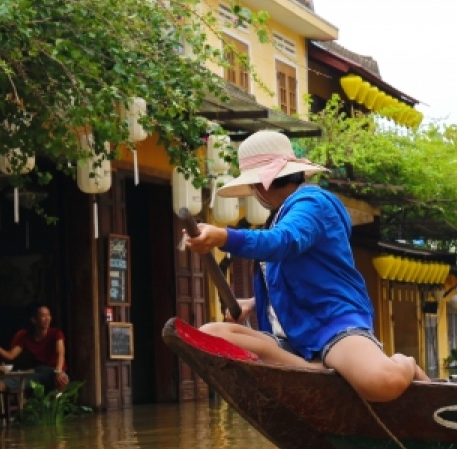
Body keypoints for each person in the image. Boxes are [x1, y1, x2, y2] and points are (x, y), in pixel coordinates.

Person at [183, 130, 426, 402]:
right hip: (291, 335)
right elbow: (291, 278)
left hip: (331, 324)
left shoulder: (312, 203)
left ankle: (404, 362)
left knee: (383, 383)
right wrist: (253, 302)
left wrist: (224, 236)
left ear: (260, 185)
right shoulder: (281, 215)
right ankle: (315, 371)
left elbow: (284, 242)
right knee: (209, 335)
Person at [0, 304, 69, 391]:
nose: (47, 318)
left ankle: (56, 403)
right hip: (38, 372)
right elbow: (11, 355)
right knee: (2, 383)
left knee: (62, 380)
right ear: (34, 320)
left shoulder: (56, 333)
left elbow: (60, 354)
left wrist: (58, 372)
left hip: (55, 370)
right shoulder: (26, 336)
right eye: (43, 316)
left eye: (48, 315)